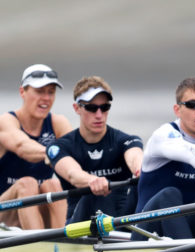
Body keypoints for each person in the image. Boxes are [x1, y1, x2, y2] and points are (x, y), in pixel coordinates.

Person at [134, 77, 195, 239]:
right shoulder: (163, 136)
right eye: (191, 105)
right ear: (177, 110)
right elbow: (192, 155)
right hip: (148, 233)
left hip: (190, 232)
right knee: (169, 195)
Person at [45, 76, 143, 223]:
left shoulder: (125, 140)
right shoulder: (59, 147)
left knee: (165, 194)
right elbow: (73, 174)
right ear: (77, 108)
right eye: (91, 108)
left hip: (120, 219)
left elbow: (135, 156)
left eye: (104, 108)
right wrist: (93, 181)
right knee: (95, 193)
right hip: (81, 222)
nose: (99, 115)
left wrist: (140, 169)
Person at [0, 64, 72, 229]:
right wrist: (56, 153)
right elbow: (22, 146)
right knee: (28, 184)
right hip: (0, 215)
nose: (46, 98)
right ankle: (41, 246)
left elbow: (78, 155)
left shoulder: (58, 123)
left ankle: (62, 243)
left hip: (37, 211)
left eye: (51, 92)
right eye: (40, 91)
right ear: (22, 92)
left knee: (53, 185)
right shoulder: (4, 121)